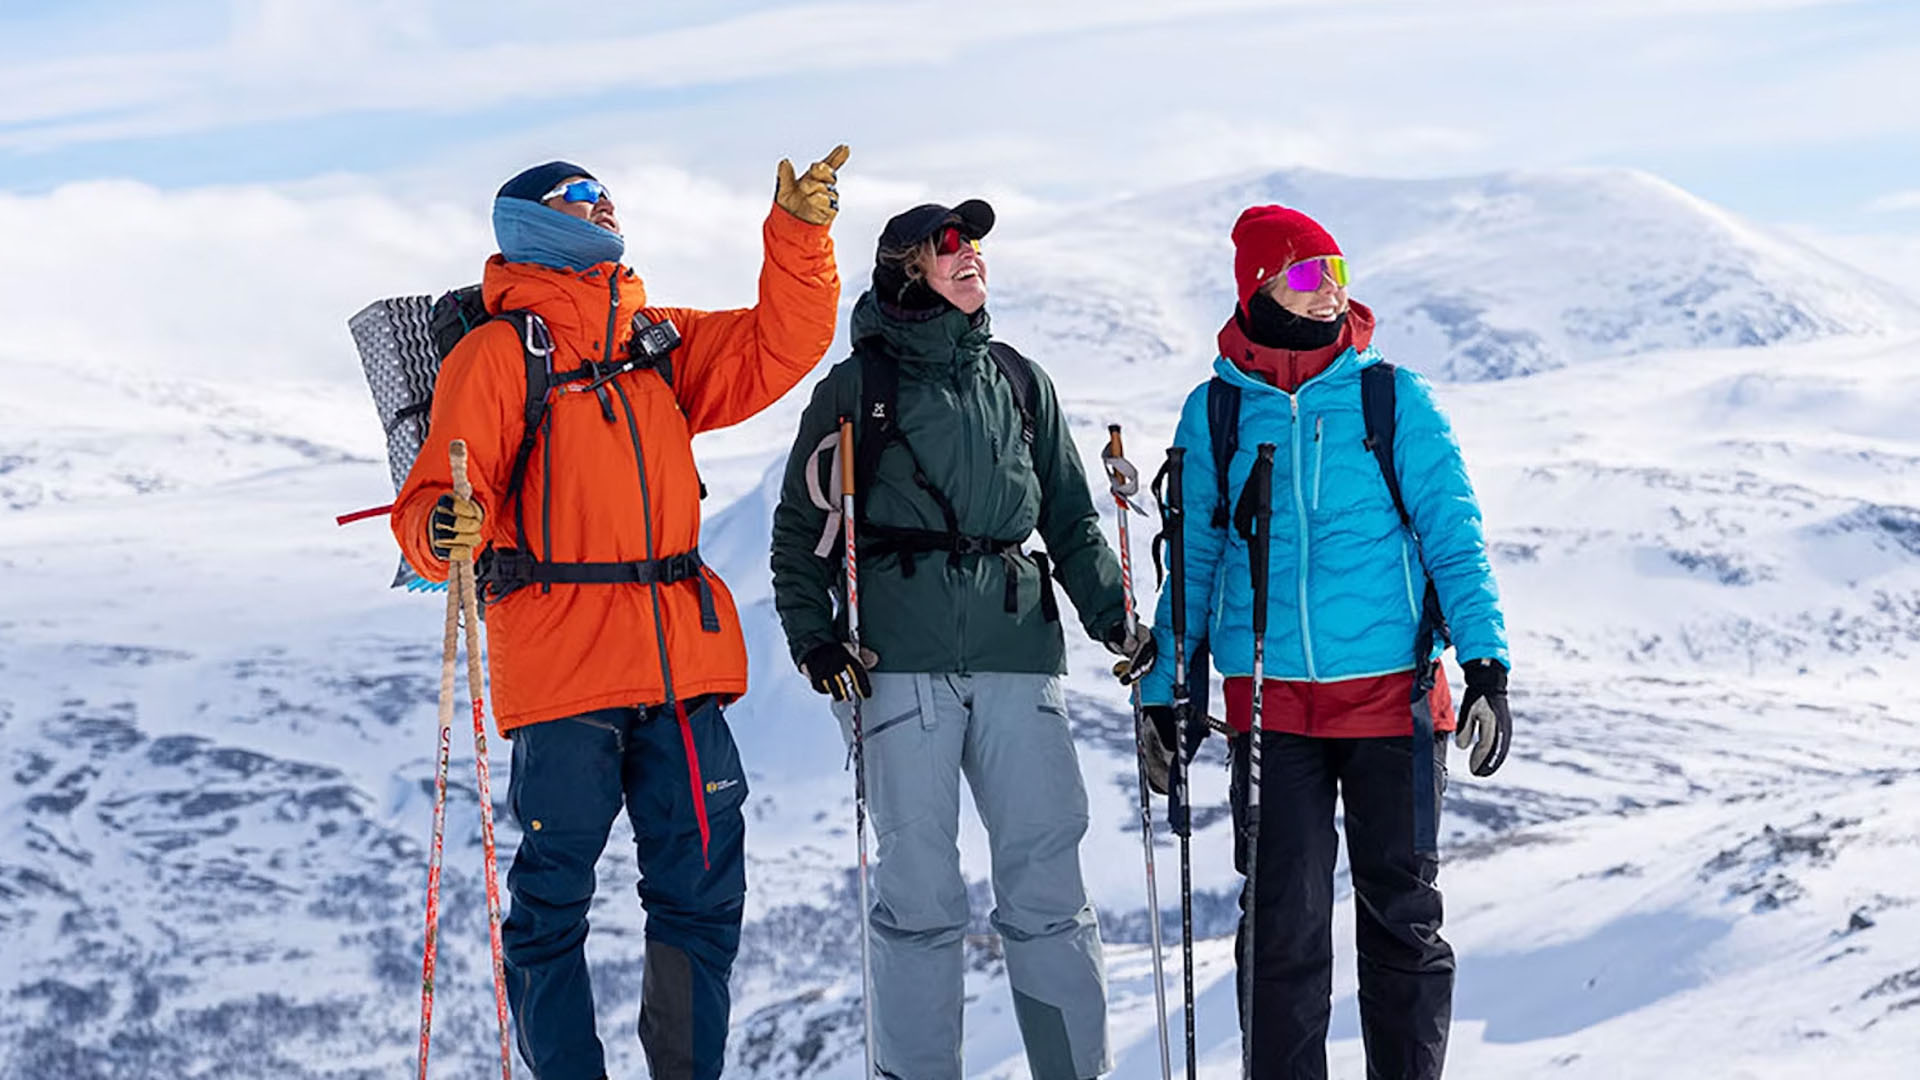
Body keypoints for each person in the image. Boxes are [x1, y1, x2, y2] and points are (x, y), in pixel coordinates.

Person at [391, 145, 849, 1080]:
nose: (604, 206)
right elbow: (435, 497)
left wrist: (800, 237)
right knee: (552, 908)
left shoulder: (656, 341)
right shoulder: (497, 353)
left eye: (606, 195)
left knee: (700, 895)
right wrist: (440, 527)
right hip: (567, 675)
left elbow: (779, 345)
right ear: (532, 223)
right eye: (580, 197)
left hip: (678, 666)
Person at [768, 199, 1154, 1080]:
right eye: (949, 245)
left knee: (1048, 884)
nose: (970, 253)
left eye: (975, 242)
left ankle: (1073, 1072)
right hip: (896, 663)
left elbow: (1071, 519)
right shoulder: (854, 391)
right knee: (919, 896)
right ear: (907, 269)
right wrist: (815, 639)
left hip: (1019, 657)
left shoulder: (1018, 380)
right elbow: (799, 530)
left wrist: (1116, 622)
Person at [1135, 204, 1512, 1080]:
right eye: (1308, 273)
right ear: (1260, 285)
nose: (1330, 290)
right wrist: (1164, 688)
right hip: (1271, 708)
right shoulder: (1218, 410)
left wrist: (1486, 665)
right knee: (1281, 928)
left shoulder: (1394, 398)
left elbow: (1454, 538)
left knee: (1402, 921)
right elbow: (1194, 560)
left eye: (1338, 270)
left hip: (1392, 699)